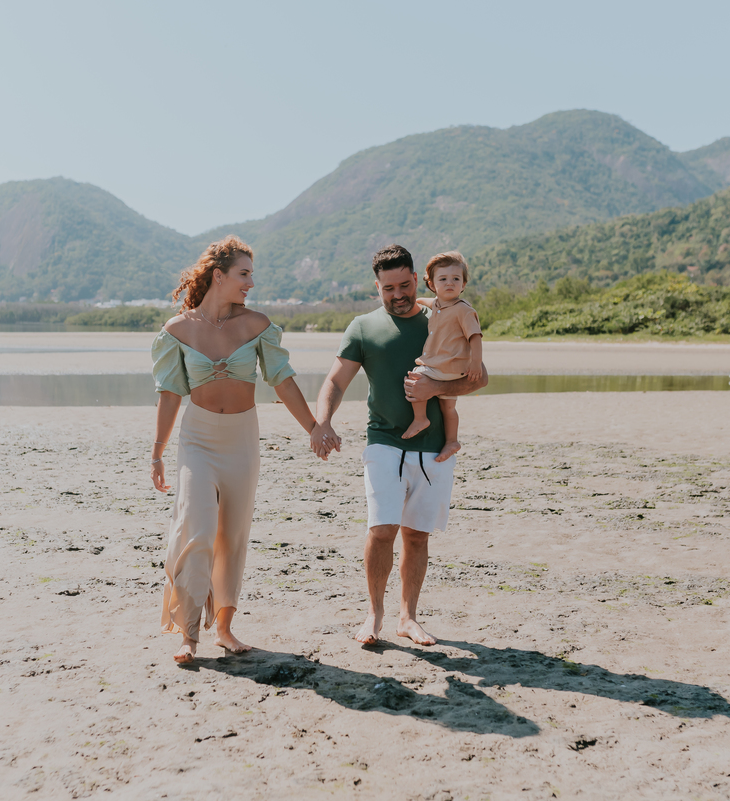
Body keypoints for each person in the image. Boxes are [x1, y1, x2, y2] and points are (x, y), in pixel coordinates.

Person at [309, 244, 488, 646]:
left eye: (404, 285)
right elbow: (335, 380)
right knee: (382, 529)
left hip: (434, 447)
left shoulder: (442, 315)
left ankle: (408, 618)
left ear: (417, 280)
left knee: (417, 535)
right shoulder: (363, 327)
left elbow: (480, 378)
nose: (398, 294)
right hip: (383, 442)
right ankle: (374, 614)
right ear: (377, 287)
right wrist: (323, 421)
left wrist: (434, 388)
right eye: (388, 288)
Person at [151, 235, 318, 664]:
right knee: (197, 529)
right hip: (197, 439)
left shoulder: (257, 325)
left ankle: (224, 629)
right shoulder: (178, 329)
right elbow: (170, 394)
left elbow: (283, 381)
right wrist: (157, 452)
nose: (250, 283)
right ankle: (189, 633)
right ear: (218, 276)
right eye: (244, 274)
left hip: (241, 439)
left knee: (233, 535)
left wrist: (314, 428)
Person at [402, 251, 484, 461]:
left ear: (463, 284)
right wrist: (416, 300)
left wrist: (476, 363)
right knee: (448, 407)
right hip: (450, 369)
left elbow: (475, 336)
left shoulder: (463, 310)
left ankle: (420, 418)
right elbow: (430, 302)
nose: (450, 283)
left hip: (445, 365)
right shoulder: (439, 304)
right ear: (432, 284)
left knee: (416, 377)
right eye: (443, 279)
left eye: (456, 279)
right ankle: (452, 441)